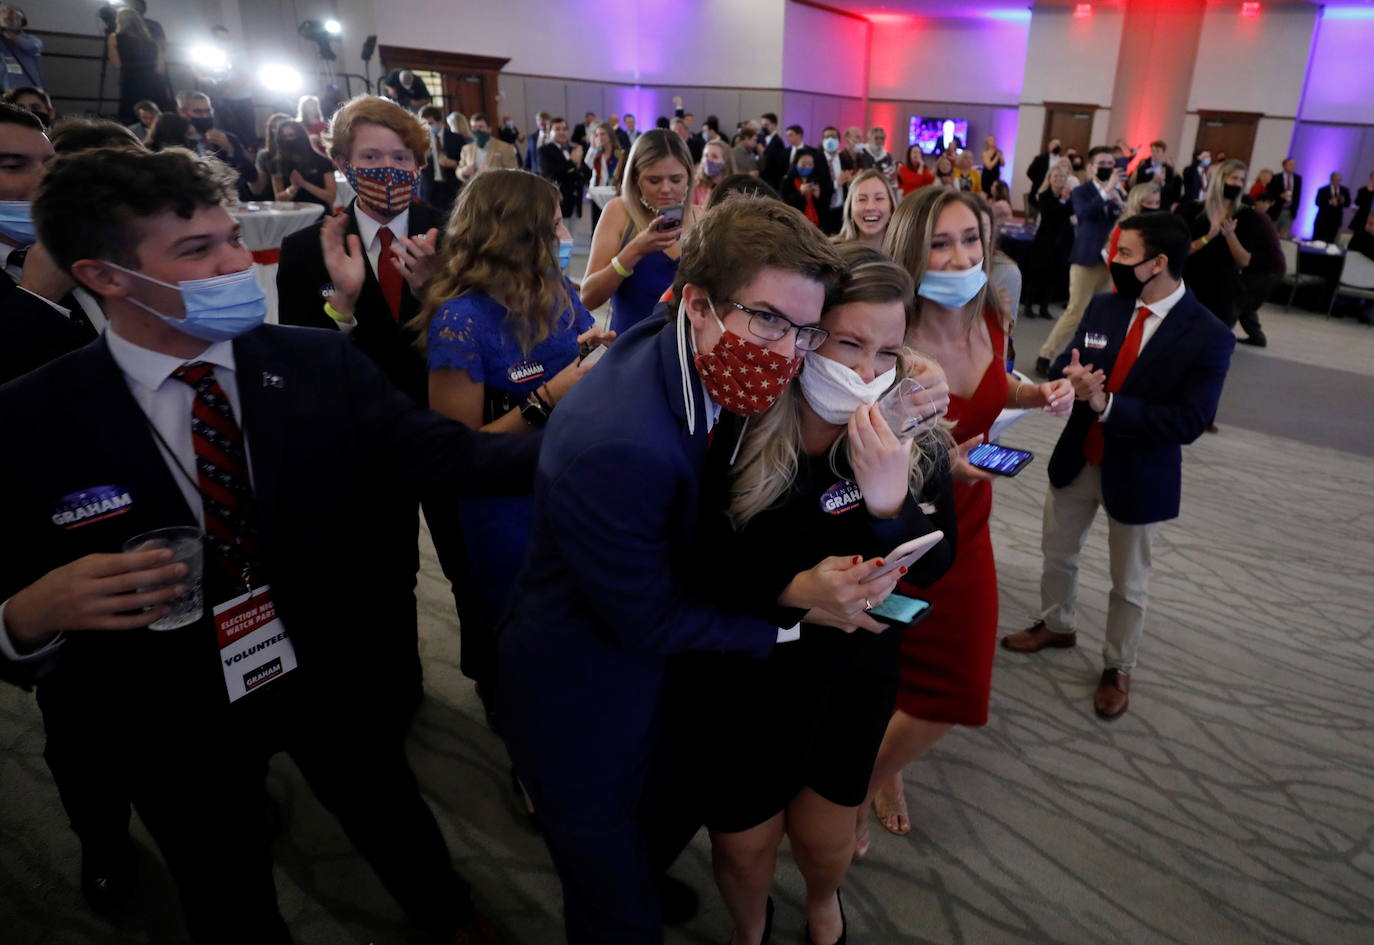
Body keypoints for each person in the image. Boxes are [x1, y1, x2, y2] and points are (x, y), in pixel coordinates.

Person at [3, 143, 528, 945]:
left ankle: (448, 912)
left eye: (228, 236)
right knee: (222, 880)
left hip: (326, 659)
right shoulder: (30, 418)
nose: (232, 263)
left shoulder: (318, 362)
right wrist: (26, 613)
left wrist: (599, 429)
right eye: (197, 250)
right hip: (166, 704)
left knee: (389, 808)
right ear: (105, 276)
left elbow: (449, 456)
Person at [499, 195, 899, 945]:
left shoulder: (693, 342)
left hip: (667, 677)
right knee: (614, 912)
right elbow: (648, 616)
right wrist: (790, 619)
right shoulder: (621, 443)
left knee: (652, 838)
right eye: (769, 321)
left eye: (805, 330)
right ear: (699, 304)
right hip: (587, 695)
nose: (787, 353)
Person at [680, 245, 955, 945]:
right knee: (743, 844)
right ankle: (750, 926)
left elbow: (936, 560)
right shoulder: (741, 419)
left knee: (826, 836)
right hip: (751, 672)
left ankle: (824, 900)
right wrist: (792, 588)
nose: (867, 372)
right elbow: (700, 559)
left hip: (852, 675)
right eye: (849, 343)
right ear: (807, 335)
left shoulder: (911, 431)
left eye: (888, 350)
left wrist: (891, 502)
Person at [867, 186, 1072, 839]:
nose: (959, 258)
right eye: (940, 242)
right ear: (911, 248)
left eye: (970, 240)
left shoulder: (993, 313)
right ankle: (868, 775)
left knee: (957, 687)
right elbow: (851, 444)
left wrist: (1039, 393)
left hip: (968, 525)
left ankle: (858, 780)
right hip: (897, 523)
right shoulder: (886, 336)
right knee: (884, 662)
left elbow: (997, 385)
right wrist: (943, 459)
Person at [1001, 212, 1235, 719]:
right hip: (1079, 453)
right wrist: (1074, 375)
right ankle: (1056, 624)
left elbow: (1190, 421)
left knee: (1129, 580)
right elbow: (1074, 356)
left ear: (1159, 263)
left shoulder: (1208, 333)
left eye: (1124, 254)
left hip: (1140, 470)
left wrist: (1110, 406)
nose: (1113, 260)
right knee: (1058, 550)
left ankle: (1117, 664)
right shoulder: (1106, 306)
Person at [275, 94, 461, 716]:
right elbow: (299, 360)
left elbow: (485, 342)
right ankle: (399, 689)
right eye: (371, 156)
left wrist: (436, 296)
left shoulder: (455, 233)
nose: (387, 169)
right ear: (343, 162)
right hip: (362, 438)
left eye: (400, 156)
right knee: (387, 574)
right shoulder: (309, 248)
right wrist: (344, 308)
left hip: (445, 428)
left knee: (470, 563)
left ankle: (494, 681)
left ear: (419, 162)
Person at [416, 169, 612, 723]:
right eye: (553, 225)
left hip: (567, 481)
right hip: (503, 502)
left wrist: (589, 348)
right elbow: (459, 455)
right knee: (519, 623)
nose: (563, 235)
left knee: (573, 614)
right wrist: (547, 396)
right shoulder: (460, 321)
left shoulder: (554, 289)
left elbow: (566, 354)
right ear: (514, 235)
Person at [581, 129, 696, 334]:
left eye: (676, 179)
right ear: (635, 178)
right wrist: (635, 250)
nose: (666, 189)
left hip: (686, 354)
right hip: (631, 353)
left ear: (689, 176)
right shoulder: (619, 212)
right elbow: (589, 298)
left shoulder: (702, 217)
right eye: (654, 180)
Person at [1036, 146, 1124, 377]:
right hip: (1085, 259)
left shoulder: (1119, 190)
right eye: (1102, 164)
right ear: (1091, 167)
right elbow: (1084, 214)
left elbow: (1124, 217)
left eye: (1110, 163)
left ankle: (1087, 358)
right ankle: (1046, 354)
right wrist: (1106, 189)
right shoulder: (1082, 191)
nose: (1107, 168)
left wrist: (1121, 201)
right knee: (1075, 311)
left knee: (1099, 315)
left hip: (1110, 261)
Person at [1174, 158, 1258, 328]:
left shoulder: (1246, 215)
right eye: (1234, 178)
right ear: (1221, 179)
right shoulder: (1194, 210)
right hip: (1191, 281)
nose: (1238, 184)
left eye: (1242, 180)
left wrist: (1229, 235)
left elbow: (1244, 261)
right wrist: (1209, 236)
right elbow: (1180, 250)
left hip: (1224, 288)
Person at [179, 91, 258, 202]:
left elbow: (252, 175)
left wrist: (230, 149)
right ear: (183, 112)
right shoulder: (179, 142)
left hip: (233, 202)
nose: (204, 116)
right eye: (198, 112)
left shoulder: (228, 138)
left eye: (208, 111)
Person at [1023, 164, 1075, 320]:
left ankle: (1044, 307)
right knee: (1038, 273)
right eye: (1056, 176)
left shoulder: (1068, 197)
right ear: (1050, 179)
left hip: (1060, 241)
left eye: (1062, 177)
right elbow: (1050, 215)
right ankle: (1028, 306)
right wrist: (1062, 201)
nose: (1059, 179)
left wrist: (1065, 201)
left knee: (1053, 275)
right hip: (1044, 241)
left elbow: (1069, 213)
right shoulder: (1044, 196)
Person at [1235, 190, 1284, 347]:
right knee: (1245, 302)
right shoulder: (1260, 218)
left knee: (1241, 299)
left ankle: (1256, 337)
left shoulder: (1251, 220)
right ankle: (1256, 337)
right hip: (1272, 269)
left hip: (1266, 270)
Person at [107, 6, 170, 123]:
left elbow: (116, 64)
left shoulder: (114, 38)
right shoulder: (153, 41)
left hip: (131, 82)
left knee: (132, 117)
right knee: (156, 118)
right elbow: (160, 69)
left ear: (120, 21)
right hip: (153, 82)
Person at [270, 119, 336, 210]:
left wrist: (304, 184)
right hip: (292, 216)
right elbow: (279, 198)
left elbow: (331, 197)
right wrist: (293, 188)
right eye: (284, 137)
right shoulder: (277, 164)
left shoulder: (322, 161)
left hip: (319, 214)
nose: (288, 140)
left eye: (291, 135)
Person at [538, 116, 590, 220]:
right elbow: (551, 175)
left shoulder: (572, 150)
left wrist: (579, 165)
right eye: (557, 129)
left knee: (574, 236)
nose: (562, 132)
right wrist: (571, 162)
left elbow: (587, 174)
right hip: (558, 203)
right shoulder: (545, 150)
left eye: (565, 129)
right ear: (549, 131)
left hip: (575, 202)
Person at [835, 168, 898, 251]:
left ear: (891, 208)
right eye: (861, 199)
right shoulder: (831, 254)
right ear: (850, 209)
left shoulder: (907, 253)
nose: (870, 207)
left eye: (879, 198)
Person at [419, 105, 465, 215]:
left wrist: (455, 163)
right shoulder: (421, 140)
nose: (427, 127)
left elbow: (466, 162)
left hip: (452, 186)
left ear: (439, 121)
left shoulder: (457, 138)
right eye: (424, 124)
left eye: (430, 123)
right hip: (429, 188)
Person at [1105, 181, 1162, 267]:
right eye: (1149, 203)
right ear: (1137, 204)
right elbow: (1112, 262)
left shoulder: (1162, 225)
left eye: (1157, 203)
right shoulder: (1123, 229)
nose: (1154, 207)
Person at [458, 112, 519, 183]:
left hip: (496, 189)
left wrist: (493, 172)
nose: (477, 131)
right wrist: (463, 171)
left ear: (489, 129)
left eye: (481, 127)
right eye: (474, 127)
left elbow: (514, 173)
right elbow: (459, 169)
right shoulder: (466, 149)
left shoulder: (505, 147)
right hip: (474, 189)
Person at [819, 126, 856, 235]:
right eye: (826, 137)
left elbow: (849, 184)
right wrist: (836, 183)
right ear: (822, 141)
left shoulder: (845, 159)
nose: (830, 140)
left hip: (841, 211)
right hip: (823, 211)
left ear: (839, 141)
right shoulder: (817, 160)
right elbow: (817, 187)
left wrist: (851, 182)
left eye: (833, 137)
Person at [0, 5, 41, 92]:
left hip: (29, 89)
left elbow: (30, 47)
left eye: (16, 16)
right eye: (3, 12)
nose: (10, 15)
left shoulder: (32, 40)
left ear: (22, 21)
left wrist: (8, 33)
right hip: (5, 90)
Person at [249, 112, 290, 198]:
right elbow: (258, 189)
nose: (284, 132)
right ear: (272, 131)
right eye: (279, 128)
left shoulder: (302, 153)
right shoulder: (265, 155)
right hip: (272, 200)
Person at [783, 150, 828, 228]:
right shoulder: (787, 180)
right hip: (796, 225)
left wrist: (817, 196)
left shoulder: (816, 180)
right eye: (803, 164)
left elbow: (824, 208)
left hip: (816, 225)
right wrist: (800, 193)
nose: (807, 167)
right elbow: (785, 204)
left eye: (810, 164)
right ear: (796, 163)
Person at [1132, 139, 1180, 207]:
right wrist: (1153, 181)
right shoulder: (1143, 168)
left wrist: (1162, 182)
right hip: (1146, 201)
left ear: (1163, 152)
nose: (1154, 154)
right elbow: (1138, 186)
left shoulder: (1169, 169)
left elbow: (1172, 189)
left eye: (1157, 151)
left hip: (1163, 203)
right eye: (1153, 151)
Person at [690, 137, 732, 208]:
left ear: (726, 162)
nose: (708, 160)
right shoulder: (696, 184)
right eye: (706, 156)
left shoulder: (733, 186)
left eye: (714, 157)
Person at [1266, 156, 1302, 237]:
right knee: (1271, 234)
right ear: (1284, 165)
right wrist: (1280, 195)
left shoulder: (1298, 179)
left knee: (1284, 235)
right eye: (1290, 164)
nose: (1293, 166)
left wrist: (1295, 212)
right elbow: (1270, 193)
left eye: (1294, 164)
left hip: (1289, 211)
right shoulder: (1276, 177)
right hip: (1276, 210)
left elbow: (1297, 196)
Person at [1313, 171, 1352, 244]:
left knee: (1330, 241)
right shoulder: (1323, 190)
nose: (1337, 182)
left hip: (1335, 221)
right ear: (1331, 180)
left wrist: (1343, 201)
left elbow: (1348, 204)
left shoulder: (1345, 190)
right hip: (1322, 219)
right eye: (1336, 180)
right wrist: (1329, 202)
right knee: (1317, 240)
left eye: (1339, 180)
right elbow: (1317, 202)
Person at [759, 112, 789, 189]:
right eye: (762, 125)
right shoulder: (761, 139)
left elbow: (778, 165)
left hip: (772, 182)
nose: (763, 127)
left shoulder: (777, 142)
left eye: (766, 125)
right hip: (763, 180)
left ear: (774, 125)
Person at [1350, 171, 1374, 238]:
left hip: (1371, 220)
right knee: (1356, 237)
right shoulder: (1362, 190)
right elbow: (1356, 204)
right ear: (1371, 178)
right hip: (1361, 218)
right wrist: (1354, 208)